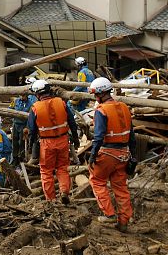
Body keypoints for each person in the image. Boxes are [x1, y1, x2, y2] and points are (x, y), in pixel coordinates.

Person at [87, 78, 135, 232]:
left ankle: (109, 214)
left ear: (101, 94)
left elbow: (99, 136)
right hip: (124, 153)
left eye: (96, 95)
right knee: (120, 187)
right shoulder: (124, 107)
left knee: (97, 181)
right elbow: (132, 135)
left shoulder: (101, 110)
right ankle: (123, 222)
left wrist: (93, 155)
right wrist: (133, 155)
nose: (95, 98)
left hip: (108, 153)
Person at [27, 80, 80, 203]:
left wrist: (31, 146)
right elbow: (72, 123)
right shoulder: (61, 103)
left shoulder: (35, 108)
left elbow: (32, 131)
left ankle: (51, 200)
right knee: (62, 168)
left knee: (46, 172)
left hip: (46, 143)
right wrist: (76, 139)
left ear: (37, 94)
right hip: (63, 140)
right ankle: (64, 191)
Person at [11, 78, 38, 164]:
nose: (22, 97)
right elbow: (10, 109)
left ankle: (21, 158)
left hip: (23, 125)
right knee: (15, 142)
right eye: (21, 95)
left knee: (22, 142)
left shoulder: (30, 103)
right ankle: (15, 158)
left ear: (26, 96)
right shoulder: (15, 101)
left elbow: (30, 116)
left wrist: (27, 127)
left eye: (23, 96)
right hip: (15, 124)